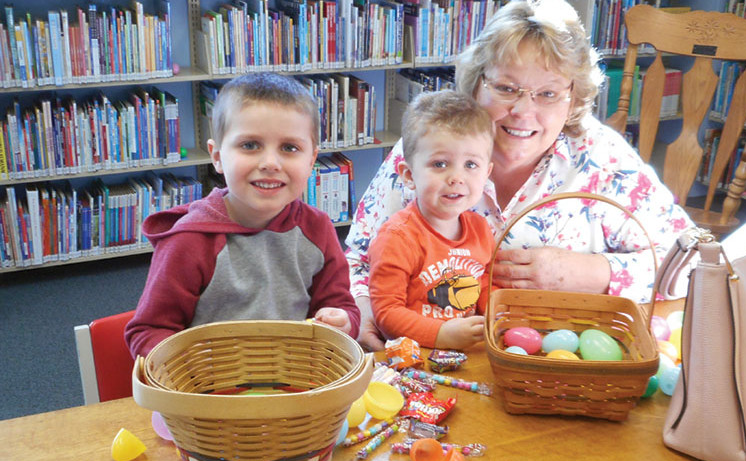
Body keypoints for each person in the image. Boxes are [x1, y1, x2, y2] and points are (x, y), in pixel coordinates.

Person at [346, 0, 695, 351]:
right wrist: (363, 310)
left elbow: (692, 264)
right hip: (429, 356)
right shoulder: (430, 146)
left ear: (573, 99)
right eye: (507, 88)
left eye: (548, 93)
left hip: (561, 362)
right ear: (477, 85)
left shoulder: (604, 159)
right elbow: (358, 258)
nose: (523, 111)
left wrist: (590, 272)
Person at [125, 73, 359, 358]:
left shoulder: (317, 228)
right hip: (210, 389)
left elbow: (342, 306)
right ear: (218, 157)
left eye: (290, 148)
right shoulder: (190, 241)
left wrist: (343, 321)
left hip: (294, 382)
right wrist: (192, 367)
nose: (270, 163)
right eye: (250, 145)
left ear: (311, 160)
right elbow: (148, 331)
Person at [368, 90, 495, 350]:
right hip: (415, 360)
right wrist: (442, 334)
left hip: (466, 355)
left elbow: (483, 284)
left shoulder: (481, 230)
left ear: (487, 172)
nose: (456, 177)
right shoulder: (397, 237)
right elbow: (387, 314)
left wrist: (494, 315)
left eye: (471, 165)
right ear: (408, 175)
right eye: (440, 164)